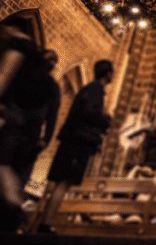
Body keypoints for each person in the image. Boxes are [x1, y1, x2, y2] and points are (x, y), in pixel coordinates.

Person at [37, 59, 114, 234]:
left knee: (63, 182)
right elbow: (89, 113)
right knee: (64, 181)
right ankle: (45, 225)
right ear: (108, 73)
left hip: (74, 139)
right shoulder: (95, 89)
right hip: (78, 142)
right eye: (112, 72)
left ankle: (46, 223)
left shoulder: (91, 89)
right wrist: (105, 120)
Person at [0, 19, 60, 231]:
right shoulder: (38, 63)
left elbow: (3, 77)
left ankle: (14, 209)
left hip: (12, 118)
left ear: (12, 28)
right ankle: (13, 212)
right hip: (26, 127)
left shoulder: (18, 48)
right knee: (7, 167)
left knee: (4, 165)